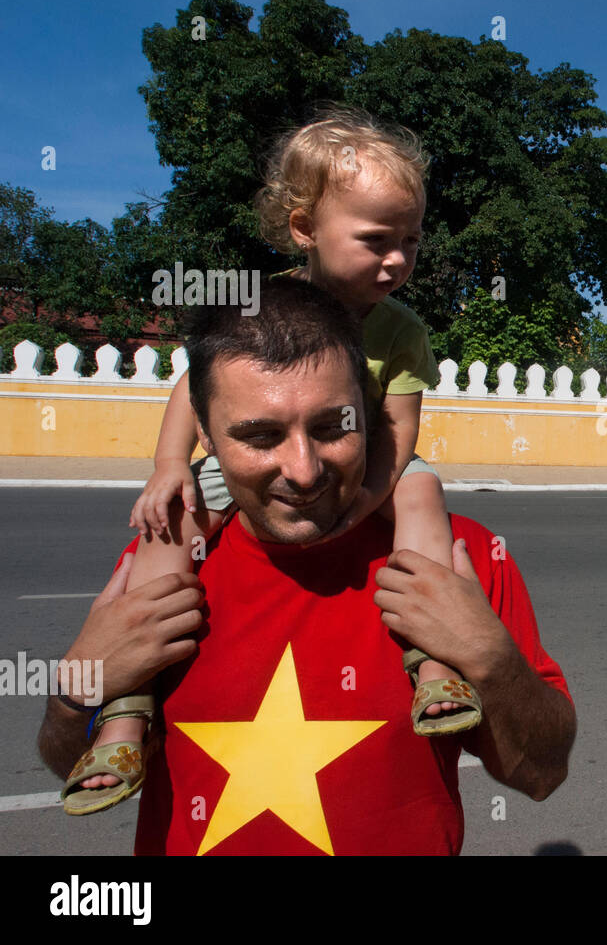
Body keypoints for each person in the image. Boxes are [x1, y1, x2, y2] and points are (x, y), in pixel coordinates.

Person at [38, 279, 576, 853]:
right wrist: (79, 686)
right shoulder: (170, 560)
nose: (303, 470)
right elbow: (68, 761)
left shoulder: (453, 559)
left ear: (368, 414)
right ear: (203, 432)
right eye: (261, 436)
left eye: (331, 427)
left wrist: (489, 657)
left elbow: (540, 775)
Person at [73, 109, 473, 815]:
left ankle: (435, 661)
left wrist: (359, 504)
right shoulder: (255, 303)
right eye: (377, 240)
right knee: (170, 527)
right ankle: (124, 711)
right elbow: (193, 392)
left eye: (410, 241)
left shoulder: (402, 330)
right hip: (255, 464)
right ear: (302, 229)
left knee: (424, 487)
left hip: (363, 462)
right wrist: (170, 466)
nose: (397, 260)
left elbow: (398, 433)